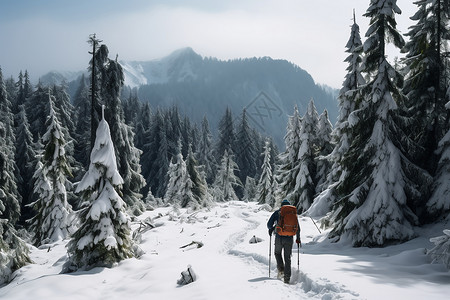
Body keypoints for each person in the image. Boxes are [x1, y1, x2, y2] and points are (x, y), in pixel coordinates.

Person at [267, 199, 300, 284]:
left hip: (279, 237)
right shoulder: (293, 214)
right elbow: (298, 228)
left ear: (282, 206)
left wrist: (273, 228)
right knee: (287, 258)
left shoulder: (278, 212)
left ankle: (281, 270)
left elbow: (269, 225)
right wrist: (298, 238)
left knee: (277, 253)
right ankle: (287, 278)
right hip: (289, 238)